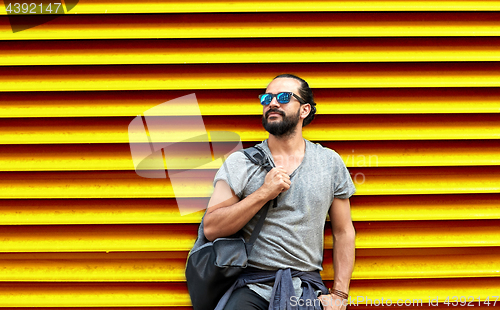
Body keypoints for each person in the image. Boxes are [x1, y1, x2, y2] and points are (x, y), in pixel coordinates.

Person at [203, 74, 356, 310]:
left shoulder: (329, 162)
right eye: (266, 98)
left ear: (304, 110)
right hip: (252, 286)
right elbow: (212, 228)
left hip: (305, 288)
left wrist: (340, 294)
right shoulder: (239, 163)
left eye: (283, 97)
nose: (272, 103)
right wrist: (263, 193)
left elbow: (343, 231)